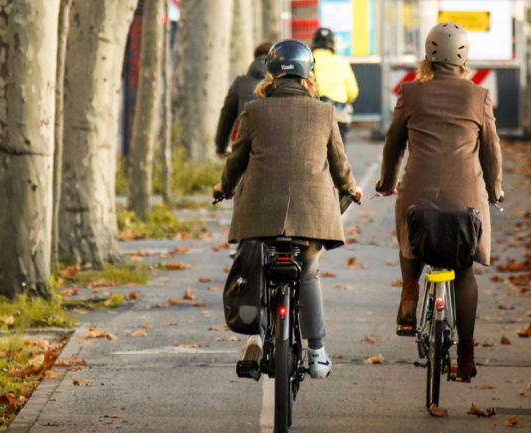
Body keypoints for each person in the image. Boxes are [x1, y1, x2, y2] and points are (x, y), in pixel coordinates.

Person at [213, 40, 363, 379]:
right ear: (308, 74)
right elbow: (339, 165)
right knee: (308, 273)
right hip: (311, 214)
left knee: (258, 268)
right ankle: (317, 352)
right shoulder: (325, 111)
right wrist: (352, 189)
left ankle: (254, 338)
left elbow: (236, 161)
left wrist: (224, 187)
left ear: (271, 72)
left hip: (260, 211)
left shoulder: (253, 109)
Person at [375, 23, 503, 383]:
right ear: (464, 57)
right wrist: (495, 190)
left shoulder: (411, 92)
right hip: (466, 198)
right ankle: (465, 354)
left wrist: (387, 183)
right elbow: (492, 151)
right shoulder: (478, 95)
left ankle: (410, 292)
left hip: (419, 193)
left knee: (409, 237)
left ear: (428, 54)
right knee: (463, 270)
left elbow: (393, 143)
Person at [214, 41, 274, 158]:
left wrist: (221, 146)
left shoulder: (241, 83)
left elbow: (227, 115)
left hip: (250, 146)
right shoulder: (285, 81)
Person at [311, 28, 359, 143]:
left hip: (315, 112)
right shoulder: (341, 62)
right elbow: (352, 92)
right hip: (338, 113)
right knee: (339, 147)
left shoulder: (308, 61)